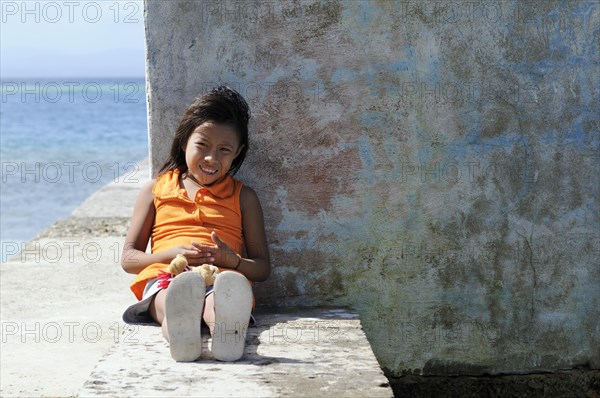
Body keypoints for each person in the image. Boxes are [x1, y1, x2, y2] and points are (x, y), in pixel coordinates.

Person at [120, 86, 270, 362]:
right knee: (169, 299)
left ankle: (225, 331)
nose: (212, 158)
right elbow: (129, 259)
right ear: (183, 141)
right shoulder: (155, 190)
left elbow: (261, 268)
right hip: (166, 276)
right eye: (202, 145)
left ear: (238, 152)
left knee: (220, 300)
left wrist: (233, 261)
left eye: (224, 150)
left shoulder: (244, 197)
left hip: (222, 279)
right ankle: (180, 331)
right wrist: (171, 254)